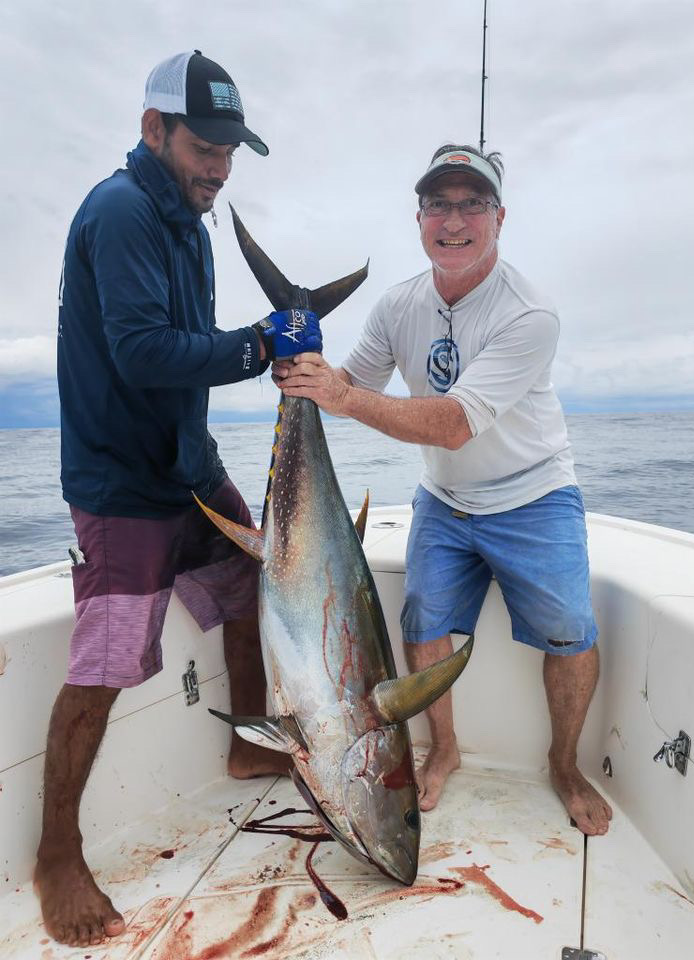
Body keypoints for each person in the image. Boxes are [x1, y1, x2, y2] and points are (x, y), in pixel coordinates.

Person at [36, 51, 322, 948]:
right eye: (205, 146)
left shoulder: (189, 224)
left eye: (232, 151)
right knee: (107, 666)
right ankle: (56, 854)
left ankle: (247, 742)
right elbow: (144, 353)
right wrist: (257, 345)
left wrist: (266, 351)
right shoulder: (119, 211)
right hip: (122, 486)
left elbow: (190, 346)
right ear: (153, 128)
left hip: (187, 468)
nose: (219, 168)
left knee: (254, 580)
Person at [273, 142, 613, 837]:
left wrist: (338, 395)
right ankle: (445, 749)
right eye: (439, 204)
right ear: (419, 217)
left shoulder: (529, 314)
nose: (454, 219)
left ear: (500, 216)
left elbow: (454, 423)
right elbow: (354, 384)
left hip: (534, 496)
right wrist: (298, 361)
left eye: (472, 203)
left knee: (569, 632)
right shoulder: (399, 305)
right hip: (447, 500)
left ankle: (565, 763)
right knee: (423, 624)